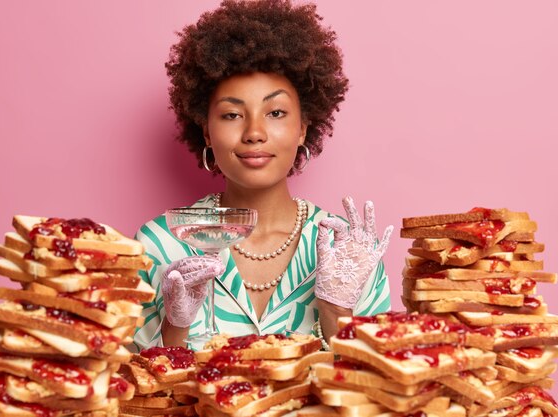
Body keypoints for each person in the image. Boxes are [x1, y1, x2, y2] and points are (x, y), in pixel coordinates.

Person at [132, 0, 393, 351]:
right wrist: (174, 329)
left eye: (276, 112)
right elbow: (131, 392)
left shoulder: (348, 251)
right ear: (206, 132)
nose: (254, 132)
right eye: (231, 115)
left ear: (302, 128)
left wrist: (336, 310)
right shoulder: (158, 245)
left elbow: (378, 392)